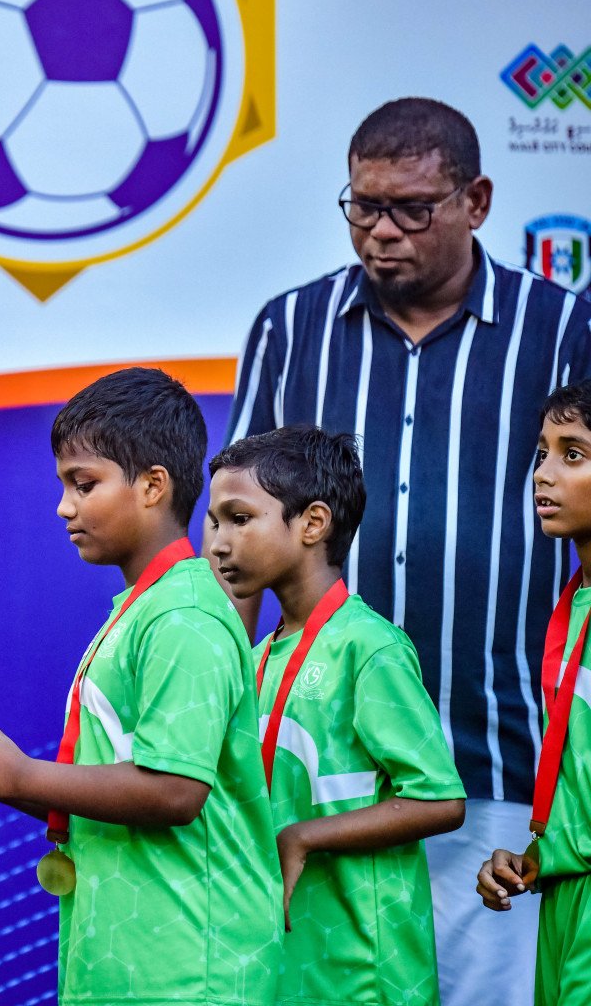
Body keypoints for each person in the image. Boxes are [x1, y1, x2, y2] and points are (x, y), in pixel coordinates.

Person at [225, 97, 591, 1005]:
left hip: (499, 757)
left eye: (413, 209)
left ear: (478, 199)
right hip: (321, 776)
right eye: (362, 206)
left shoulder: (564, 328)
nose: (382, 233)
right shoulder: (290, 328)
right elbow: (234, 534)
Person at [0, 367, 281, 1006]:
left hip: (192, 972)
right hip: (134, 965)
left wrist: (22, 776)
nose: (64, 507)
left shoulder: (183, 615)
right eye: (64, 485)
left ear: (153, 487)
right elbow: (120, 790)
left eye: (84, 483)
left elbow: (174, 791)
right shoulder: (141, 608)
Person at [207, 424, 465, 1005]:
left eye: (240, 518)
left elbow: (441, 799)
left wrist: (304, 838)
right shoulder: (257, 657)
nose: (220, 542)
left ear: (313, 524)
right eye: (215, 521)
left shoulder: (367, 647)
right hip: (287, 961)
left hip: (365, 969)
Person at [478, 380, 591, 1006]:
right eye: (542, 453)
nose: (544, 474)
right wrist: (534, 856)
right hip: (565, 901)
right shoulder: (574, 603)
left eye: (572, 454)